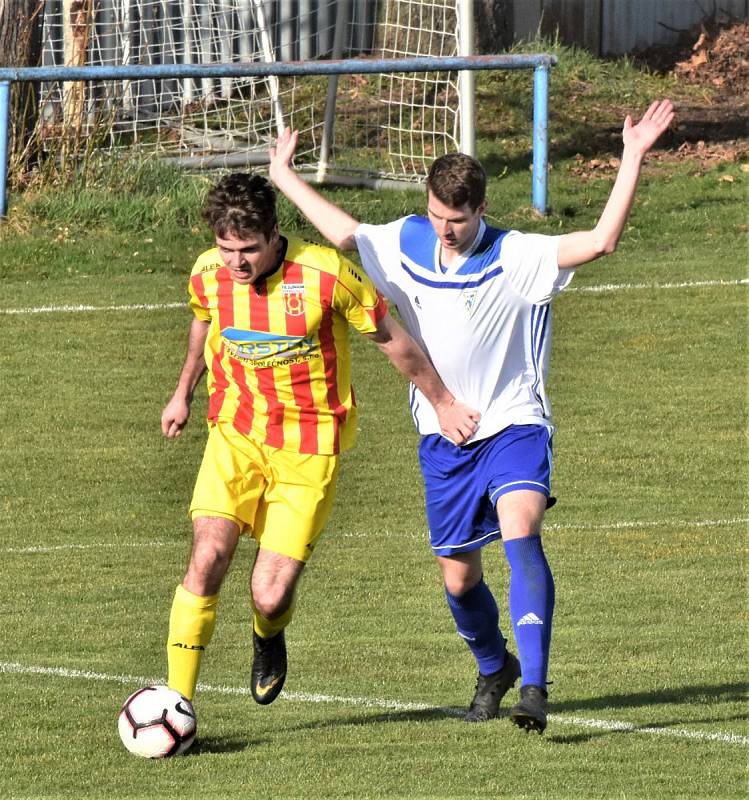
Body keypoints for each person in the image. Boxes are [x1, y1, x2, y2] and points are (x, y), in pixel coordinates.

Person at [268, 99, 675, 733]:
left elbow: (600, 241)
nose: (444, 230)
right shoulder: (408, 238)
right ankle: (495, 666)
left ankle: (534, 689)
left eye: (455, 219)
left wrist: (632, 157)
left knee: (521, 531)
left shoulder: (517, 255)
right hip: (442, 435)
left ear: (480, 209)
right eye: (435, 216)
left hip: (514, 422)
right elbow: (349, 235)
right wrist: (285, 177)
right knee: (459, 582)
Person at [161, 172, 479, 709]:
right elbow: (203, 324)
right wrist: (182, 393)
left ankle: (268, 634)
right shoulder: (207, 275)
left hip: (309, 451)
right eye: (225, 249)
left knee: (270, 592)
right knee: (208, 554)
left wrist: (443, 402)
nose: (236, 264)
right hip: (234, 436)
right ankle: (176, 701)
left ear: (274, 234)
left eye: (248, 251)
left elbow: (393, 341)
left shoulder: (326, 274)